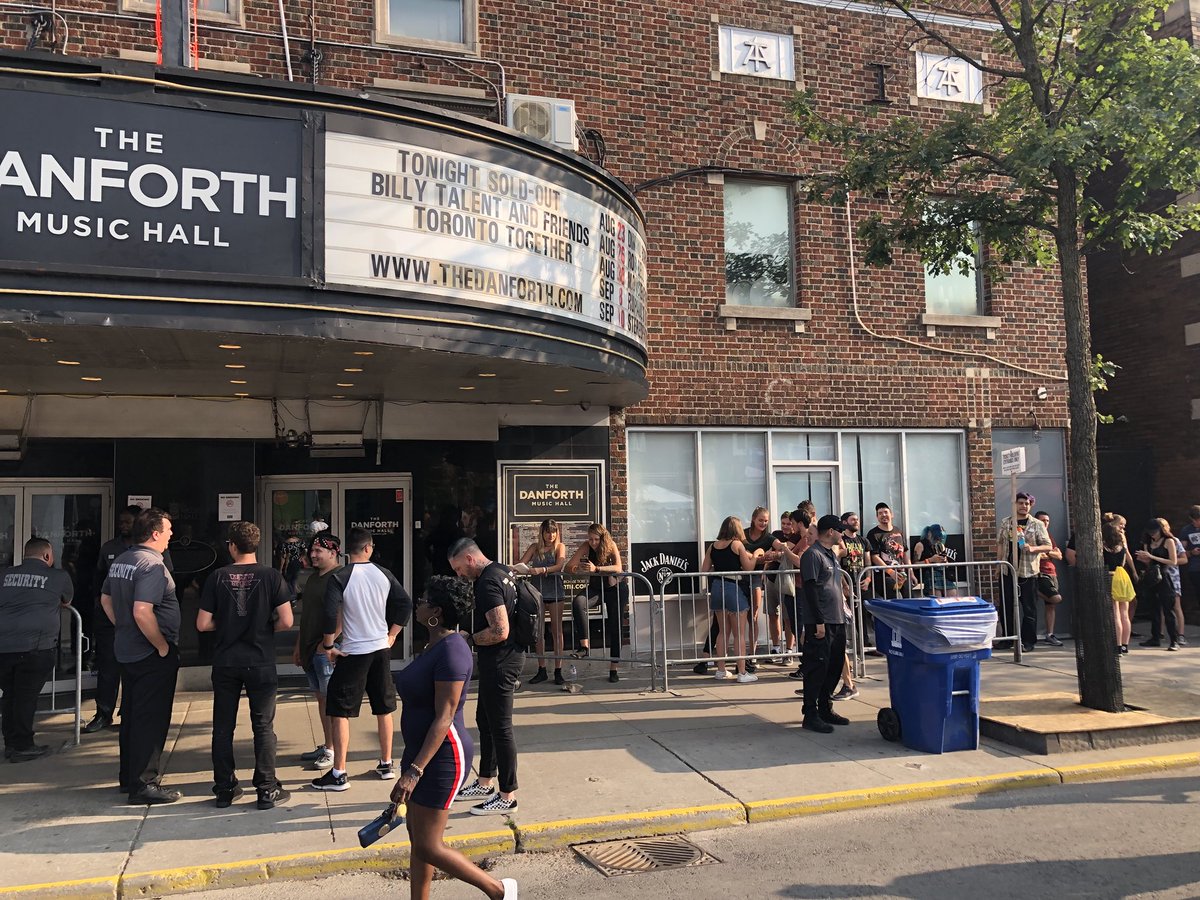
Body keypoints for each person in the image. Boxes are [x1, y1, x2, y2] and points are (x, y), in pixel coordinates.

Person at [390, 576, 519, 900]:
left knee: (430, 845)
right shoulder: (435, 644)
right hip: (420, 752)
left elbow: (445, 717)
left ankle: (500, 890)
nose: (416, 604)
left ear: (436, 611)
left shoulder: (453, 652)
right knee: (416, 839)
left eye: (422, 600)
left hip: (443, 757)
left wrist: (414, 771)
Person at [196, 521, 294, 809]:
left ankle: (224, 789)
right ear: (256, 545)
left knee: (222, 727)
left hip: (226, 660)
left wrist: (226, 626)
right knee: (263, 726)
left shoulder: (217, 577)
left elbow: (202, 623)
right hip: (260, 659)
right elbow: (287, 621)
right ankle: (266, 789)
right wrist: (262, 629)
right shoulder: (271, 576)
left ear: (232, 546)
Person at [311, 527, 411, 792]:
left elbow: (330, 613)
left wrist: (329, 645)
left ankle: (339, 772)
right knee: (384, 705)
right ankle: (387, 763)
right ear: (369, 548)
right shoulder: (384, 574)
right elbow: (405, 604)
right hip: (380, 648)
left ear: (346, 552)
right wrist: (392, 635)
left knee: (339, 710)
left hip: (353, 651)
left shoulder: (340, 577)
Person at [101, 508, 182, 804]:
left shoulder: (122, 560)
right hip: (150, 655)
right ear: (155, 533)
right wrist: (160, 645)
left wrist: (122, 626)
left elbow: (105, 598)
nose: (172, 535)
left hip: (128, 650)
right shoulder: (150, 565)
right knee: (151, 718)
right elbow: (142, 610)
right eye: (169, 529)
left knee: (133, 716)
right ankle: (144, 783)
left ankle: (129, 777)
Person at [448, 538, 522, 816]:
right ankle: (484, 781)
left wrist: (468, 639)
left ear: (469, 559)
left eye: (458, 568)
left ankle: (507, 794)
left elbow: (500, 630)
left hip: (503, 660)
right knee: (486, 720)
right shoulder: (503, 571)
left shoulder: (489, 582)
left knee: (501, 727)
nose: (459, 575)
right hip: (501, 659)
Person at [0, 538, 74, 762]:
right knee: (25, 697)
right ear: (47, 556)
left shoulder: (3, 575)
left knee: (10, 695)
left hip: (4, 647)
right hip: (36, 648)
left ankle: (12, 743)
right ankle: (22, 745)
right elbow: (66, 600)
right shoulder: (59, 576)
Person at [85, 505, 140, 734]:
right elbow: (98, 579)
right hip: (110, 620)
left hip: (138, 619)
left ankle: (129, 714)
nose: (123, 525)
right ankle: (103, 713)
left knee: (134, 669)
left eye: (128, 522)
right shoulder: (109, 548)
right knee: (108, 667)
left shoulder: (148, 548)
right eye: (121, 521)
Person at [293, 533, 342, 770]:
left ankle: (333, 751)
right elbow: (307, 616)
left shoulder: (340, 577)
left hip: (327, 651)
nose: (313, 555)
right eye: (311, 551)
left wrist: (328, 644)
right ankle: (327, 744)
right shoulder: (313, 579)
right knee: (321, 699)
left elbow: (343, 614)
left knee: (330, 701)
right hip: (310, 648)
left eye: (318, 551)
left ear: (333, 553)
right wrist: (299, 646)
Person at [799, 515, 850, 733]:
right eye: (840, 530)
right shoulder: (813, 555)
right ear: (830, 531)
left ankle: (825, 707)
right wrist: (818, 621)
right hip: (821, 621)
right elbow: (810, 589)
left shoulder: (831, 555)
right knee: (816, 668)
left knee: (834, 666)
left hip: (836, 619)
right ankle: (810, 713)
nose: (842, 534)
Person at [700, 516, 760, 683]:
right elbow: (748, 568)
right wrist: (755, 555)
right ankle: (742, 672)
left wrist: (720, 566)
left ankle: (721, 670)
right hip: (733, 586)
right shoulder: (737, 544)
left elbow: (704, 569)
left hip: (717, 587)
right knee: (739, 633)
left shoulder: (713, 546)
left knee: (722, 631)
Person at [566, 524, 628, 683]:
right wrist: (577, 568)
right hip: (596, 588)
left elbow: (618, 568)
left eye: (595, 539)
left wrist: (596, 569)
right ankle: (584, 647)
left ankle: (614, 668)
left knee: (615, 626)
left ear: (602, 538)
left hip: (615, 587)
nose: (593, 542)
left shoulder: (611, 544)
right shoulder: (586, 546)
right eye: (590, 539)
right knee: (578, 602)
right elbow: (568, 567)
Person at [997, 492, 1053, 652]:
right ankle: (1007, 639)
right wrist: (998, 565)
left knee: (1029, 608)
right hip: (1007, 570)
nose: (1024, 506)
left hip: (1028, 571)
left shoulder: (1037, 524)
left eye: (1027, 503)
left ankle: (1028, 641)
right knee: (1006, 606)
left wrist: (1033, 548)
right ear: (1015, 504)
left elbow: (1047, 545)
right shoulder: (1006, 522)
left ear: (1031, 505)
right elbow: (1001, 544)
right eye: (1021, 503)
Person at [514, 520, 566, 686]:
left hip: (555, 592)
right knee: (539, 632)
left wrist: (542, 570)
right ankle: (541, 668)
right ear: (542, 533)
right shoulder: (534, 547)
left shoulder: (560, 547)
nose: (550, 535)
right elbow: (521, 564)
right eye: (547, 532)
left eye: (553, 532)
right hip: (537, 594)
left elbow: (559, 565)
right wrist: (515, 569)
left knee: (557, 631)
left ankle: (558, 669)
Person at [1134, 519, 1181, 651]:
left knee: (1168, 609)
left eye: (1155, 532)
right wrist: (1145, 558)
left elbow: (1173, 561)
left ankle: (1174, 639)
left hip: (1164, 576)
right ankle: (1155, 637)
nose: (1153, 535)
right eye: (1150, 533)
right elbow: (1149, 562)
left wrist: (1152, 557)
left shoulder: (1168, 541)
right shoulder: (1148, 542)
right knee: (1153, 609)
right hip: (1151, 576)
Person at [741, 507, 777, 672]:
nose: (763, 523)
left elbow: (780, 547)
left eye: (766, 520)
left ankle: (752, 654)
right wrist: (755, 556)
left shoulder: (768, 537)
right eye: (761, 520)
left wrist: (775, 555)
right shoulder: (743, 534)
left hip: (756, 578)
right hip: (740, 577)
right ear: (754, 519)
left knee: (753, 616)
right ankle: (739, 655)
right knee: (739, 616)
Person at [1104, 520, 1137, 653]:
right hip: (1123, 575)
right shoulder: (1122, 544)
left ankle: (1117, 645)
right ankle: (1125, 645)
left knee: (1115, 613)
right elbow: (1127, 557)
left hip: (1110, 576)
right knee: (1125, 613)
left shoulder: (1103, 546)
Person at [1033, 511, 1065, 646]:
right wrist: (1046, 553)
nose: (1046, 523)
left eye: (1047, 520)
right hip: (1040, 573)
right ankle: (1032, 589)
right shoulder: (1034, 536)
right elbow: (1035, 554)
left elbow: (1059, 555)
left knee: (1050, 605)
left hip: (1053, 573)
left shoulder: (1049, 536)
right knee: (1055, 598)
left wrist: (1046, 552)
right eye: (1043, 520)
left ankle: (1049, 634)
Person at [867, 503, 909, 599]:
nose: (883, 515)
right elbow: (874, 557)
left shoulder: (898, 531)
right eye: (880, 513)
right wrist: (890, 572)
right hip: (885, 576)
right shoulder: (873, 534)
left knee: (910, 599)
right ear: (877, 517)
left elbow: (905, 552)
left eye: (886, 512)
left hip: (902, 573)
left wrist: (910, 572)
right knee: (892, 603)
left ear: (891, 514)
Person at [913, 524, 951, 597]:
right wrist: (930, 560)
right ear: (929, 534)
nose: (938, 541)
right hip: (929, 575)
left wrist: (944, 561)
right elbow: (914, 565)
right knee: (937, 598)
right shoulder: (920, 545)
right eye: (936, 538)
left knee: (952, 595)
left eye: (939, 539)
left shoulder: (940, 545)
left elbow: (946, 563)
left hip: (942, 573)